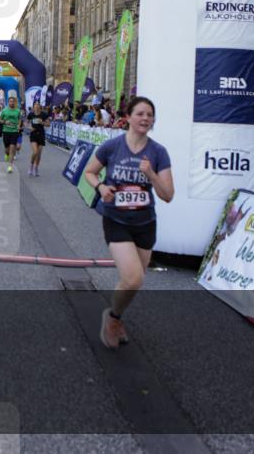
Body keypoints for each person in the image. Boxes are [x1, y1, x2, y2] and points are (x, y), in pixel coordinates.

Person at [83, 96, 174, 349]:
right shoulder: (112, 146)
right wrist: (101, 187)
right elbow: (89, 172)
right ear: (128, 117)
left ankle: (115, 316)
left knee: (133, 282)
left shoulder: (158, 152)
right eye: (140, 114)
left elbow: (168, 195)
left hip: (145, 223)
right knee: (133, 279)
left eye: (150, 115)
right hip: (117, 220)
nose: (145, 118)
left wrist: (151, 174)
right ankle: (112, 319)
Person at [0, 94, 22, 173]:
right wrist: (5, 121)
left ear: (14, 102)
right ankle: (6, 154)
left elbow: (19, 119)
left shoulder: (18, 111)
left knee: (12, 149)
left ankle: (10, 166)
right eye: (10, 101)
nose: (12, 103)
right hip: (6, 131)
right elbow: (0, 120)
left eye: (13, 101)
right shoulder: (4, 111)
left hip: (14, 132)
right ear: (8, 102)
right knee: (7, 150)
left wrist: (19, 125)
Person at [26, 101, 49, 176]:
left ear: (40, 106)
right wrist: (29, 127)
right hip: (33, 134)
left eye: (38, 105)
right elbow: (26, 123)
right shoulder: (31, 114)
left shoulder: (44, 114)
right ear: (33, 106)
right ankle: (31, 166)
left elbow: (48, 124)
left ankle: (36, 168)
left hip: (41, 134)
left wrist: (42, 122)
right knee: (35, 152)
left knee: (39, 154)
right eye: (35, 105)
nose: (36, 106)